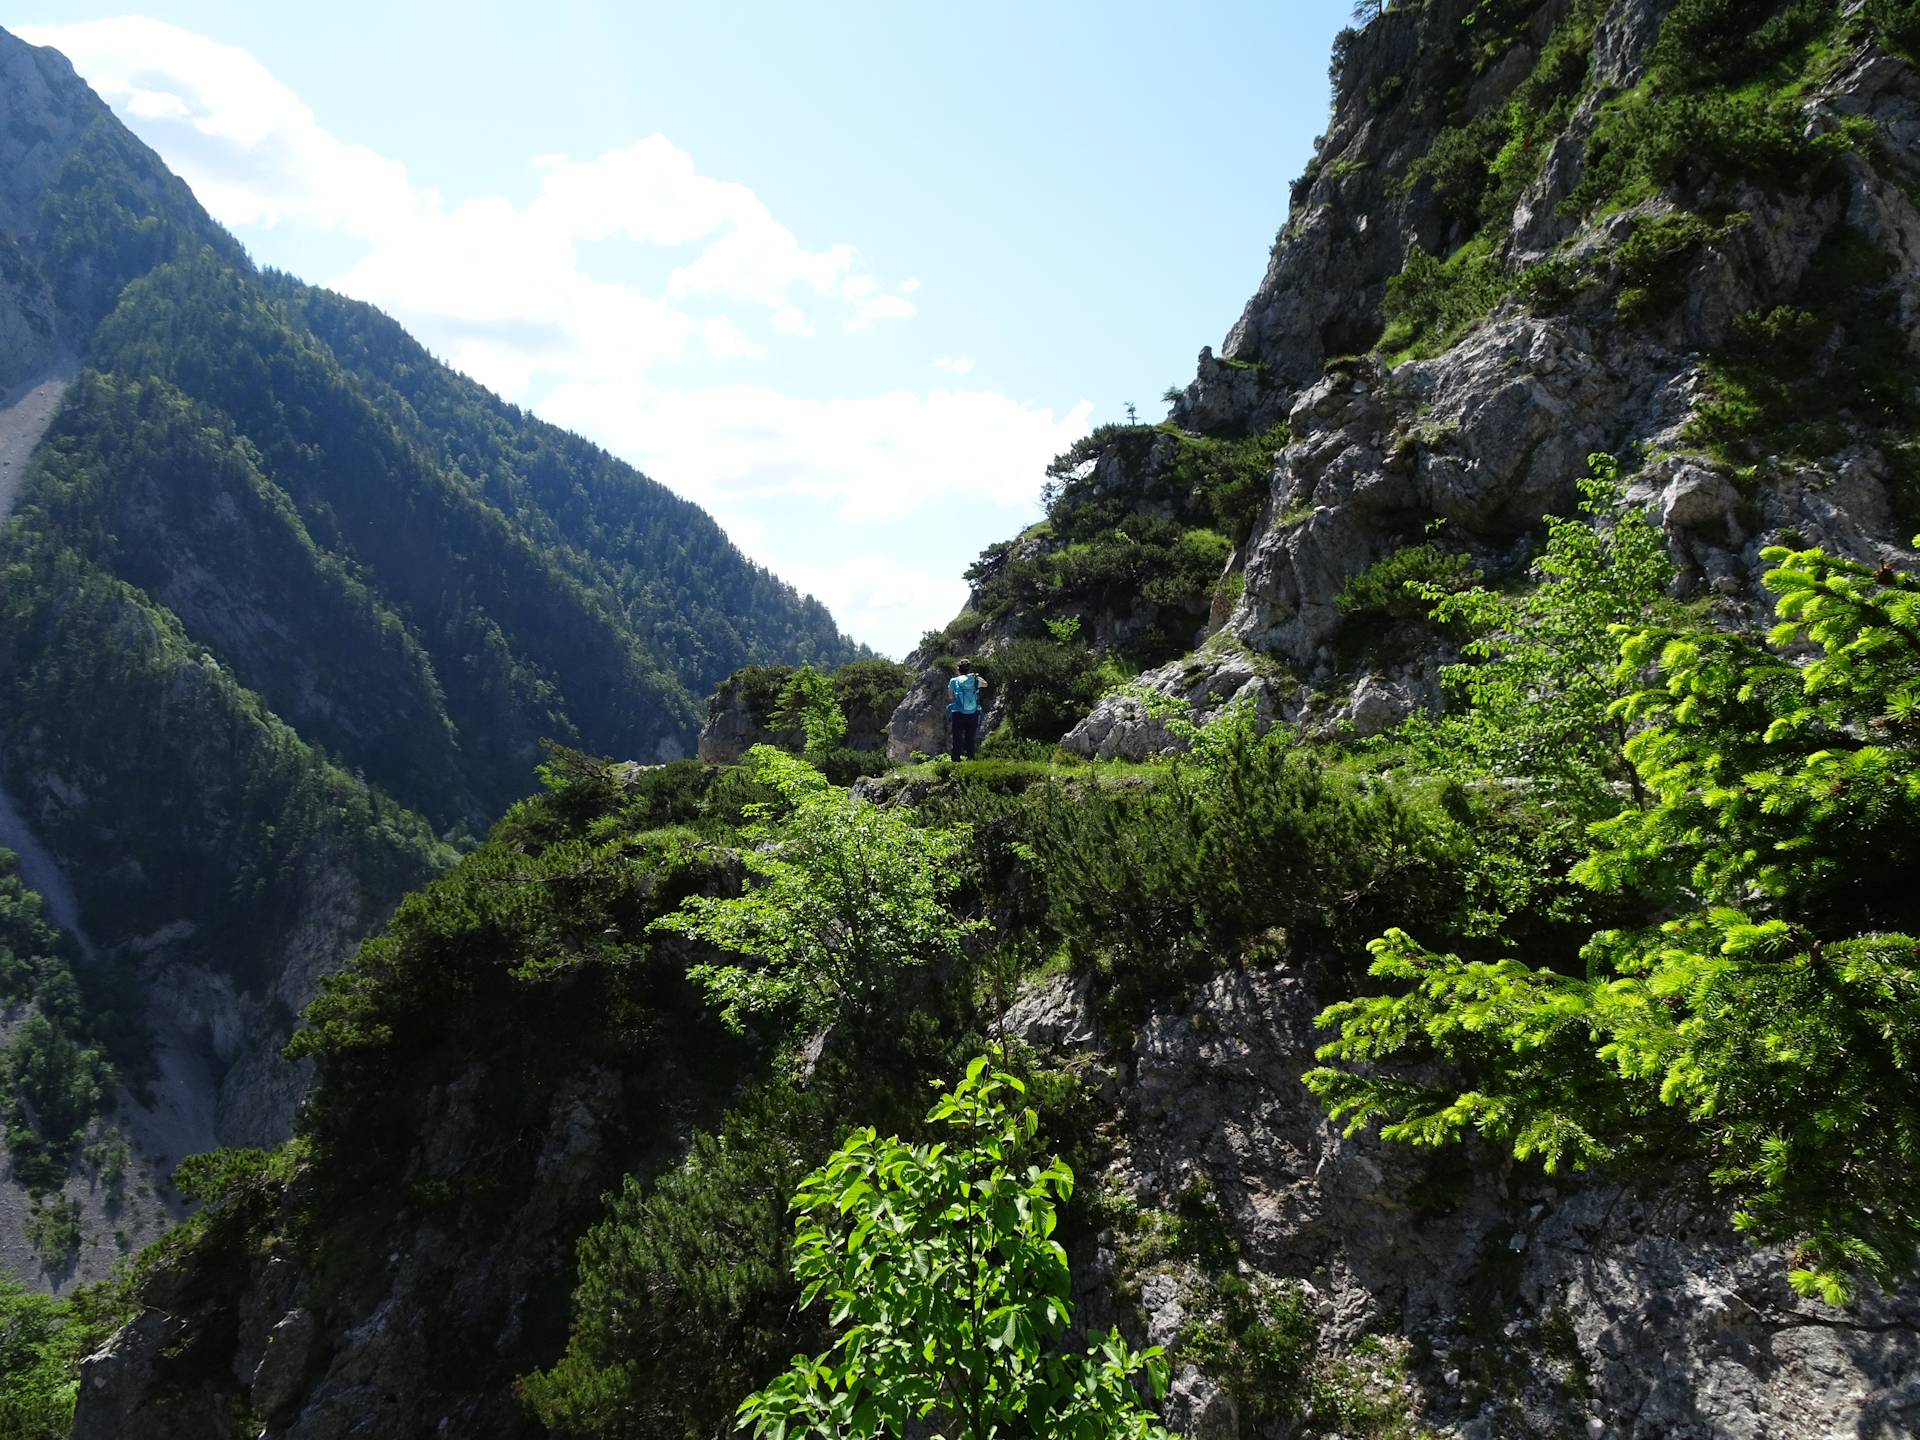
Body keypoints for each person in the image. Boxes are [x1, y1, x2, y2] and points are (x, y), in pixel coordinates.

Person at [947, 659, 989, 760]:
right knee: (970, 738)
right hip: (972, 712)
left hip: (958, 713)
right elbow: (985, 684)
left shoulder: (954, 681)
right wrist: (976, 676)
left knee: (957, 738)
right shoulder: (974, 679)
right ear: (969, 669)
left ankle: (955, 760)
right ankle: (970, 759)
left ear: (958, 669)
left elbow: (950, 696)